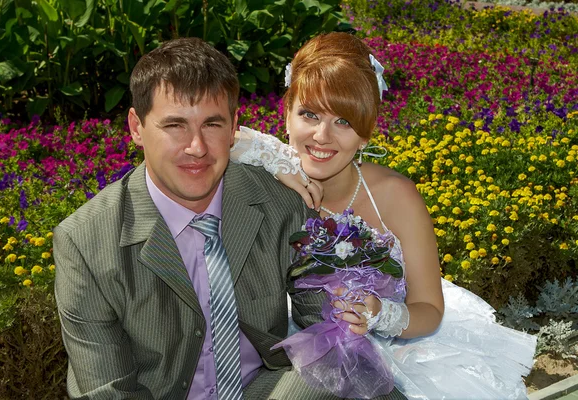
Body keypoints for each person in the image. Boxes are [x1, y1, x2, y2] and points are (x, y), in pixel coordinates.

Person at [231, 32, 537, 399]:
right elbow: (209, 140)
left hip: (399, 354)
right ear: (287, 114)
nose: (321, 136)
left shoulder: (395, 196)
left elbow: (429, 309)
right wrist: (272, 156)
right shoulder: (271, 175)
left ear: (365, 134)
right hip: (294, 354)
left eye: (343, 121)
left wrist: (380, 314)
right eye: (308, 114)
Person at [53, 37, 332, 400]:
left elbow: (327, 332)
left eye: (212, 125)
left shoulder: (282, 205)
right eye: (175, 125)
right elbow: (108, 393)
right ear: (137, 127)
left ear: (234, 128)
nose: (197, 147)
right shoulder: (86, 243)